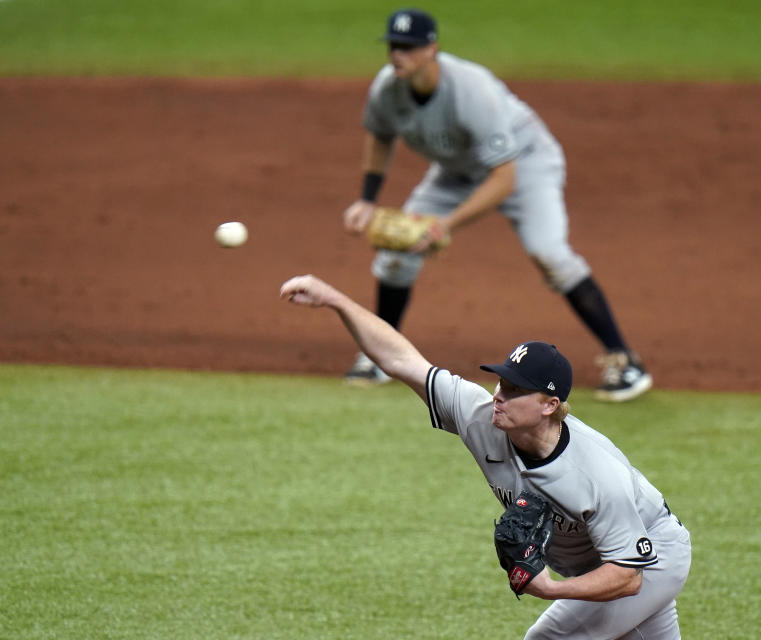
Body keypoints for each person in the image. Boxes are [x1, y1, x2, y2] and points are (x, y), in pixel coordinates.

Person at [280, 274, 692, 640]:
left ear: (549, 405)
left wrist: (548, 588)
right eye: (500, 383)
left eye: (514, 391)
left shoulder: (597, 474)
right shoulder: (481, 417)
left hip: (649, 560)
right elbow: (400, 360)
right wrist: (336, 300)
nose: (499, 396)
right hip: (607, 567)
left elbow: (627, 577)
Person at [340, 7, 652, 402]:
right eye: (393, 46)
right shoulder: (387, 88)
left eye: (409, 47)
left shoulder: (471, 90)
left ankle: (625, 360)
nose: (398, 54)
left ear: (431, 48)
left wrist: (445, 224)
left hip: (525, 164)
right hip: (457, 172)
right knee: (397, 256)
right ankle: (381, 356)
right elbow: (381, 135)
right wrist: (367, 199)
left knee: (549, 253)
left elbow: (504, 180)